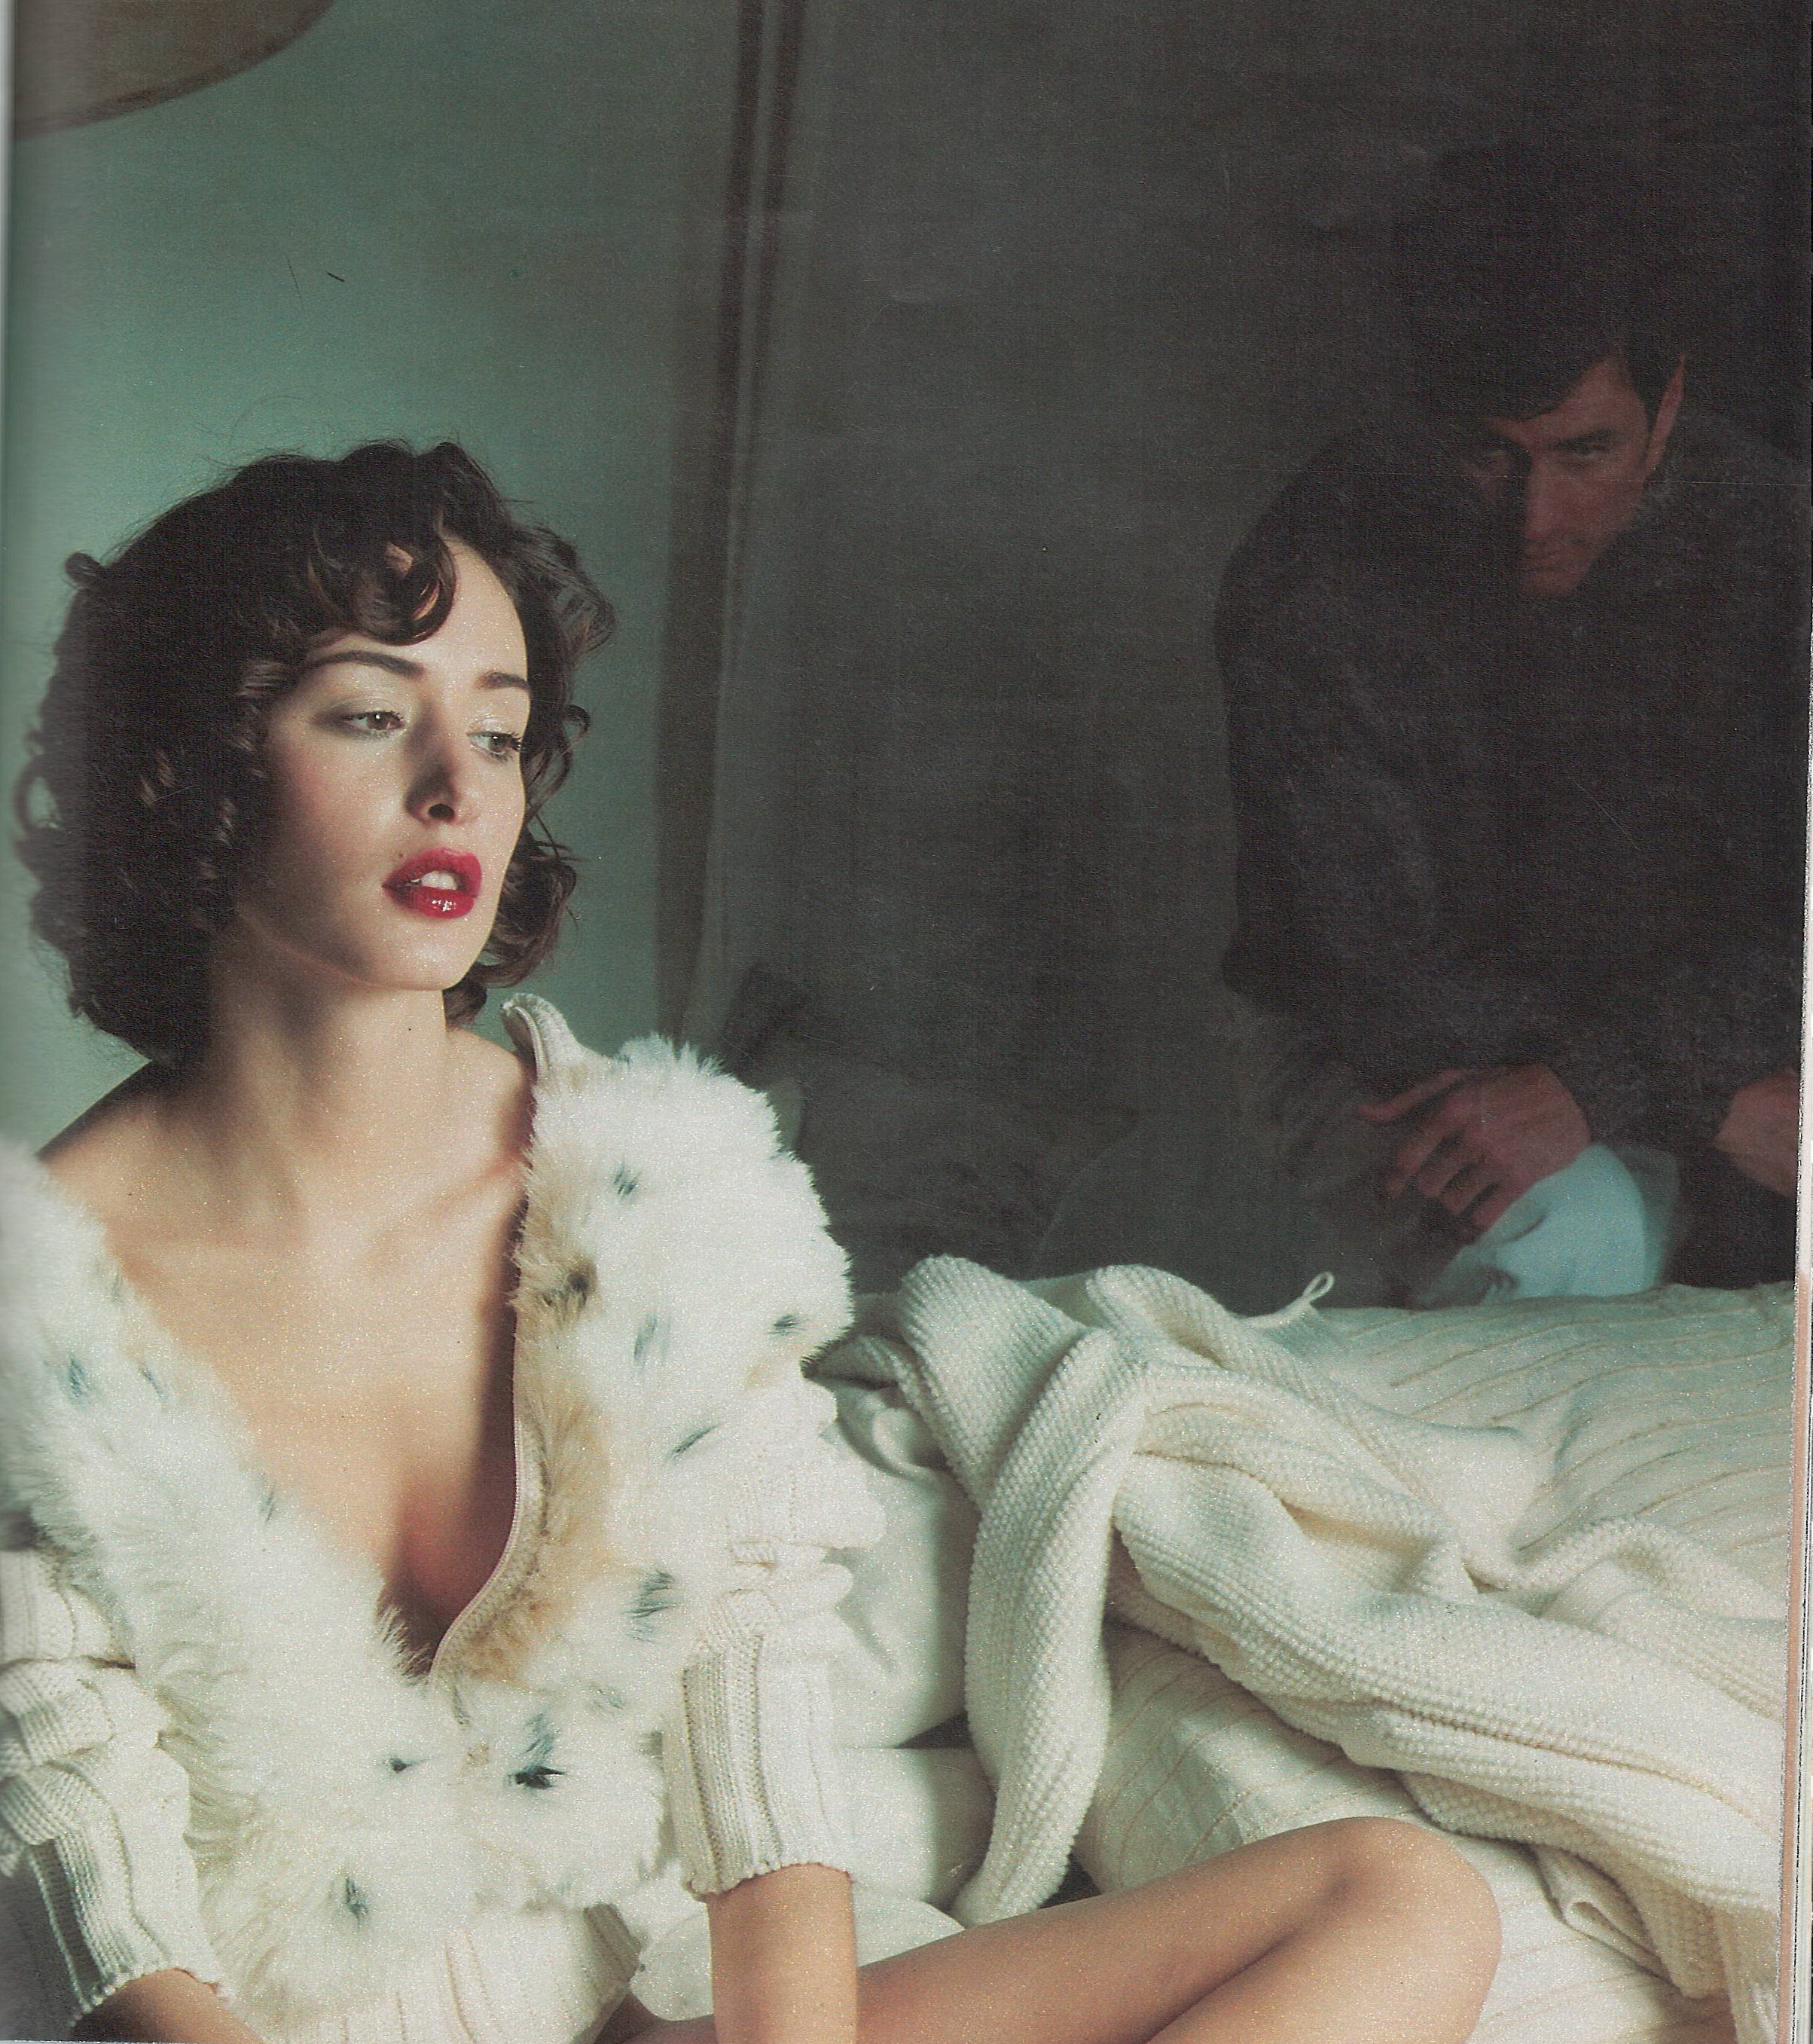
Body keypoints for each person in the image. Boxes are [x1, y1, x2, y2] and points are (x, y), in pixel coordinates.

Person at [0, 443, 1499, 2044]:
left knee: (1395, 1899)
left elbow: (757, 1739)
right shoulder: (36, 1298)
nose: (458, 787)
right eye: (371, 715)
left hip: (636, 2016)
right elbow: (105, 1907)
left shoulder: (652, 1180)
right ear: (196, 762)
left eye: (498, 730)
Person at [1216, 145, 1806, 1306]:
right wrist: (1682, 1094)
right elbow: (1380, 972)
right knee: (1569, 1244)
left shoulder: (1781, 548)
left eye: (1586, 452)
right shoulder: (1315, 576)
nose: (1537, 519)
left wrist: (1633, 1079)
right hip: (1392, 1052)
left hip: (1695, 1047)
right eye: (1490, 453)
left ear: (1669, 404)